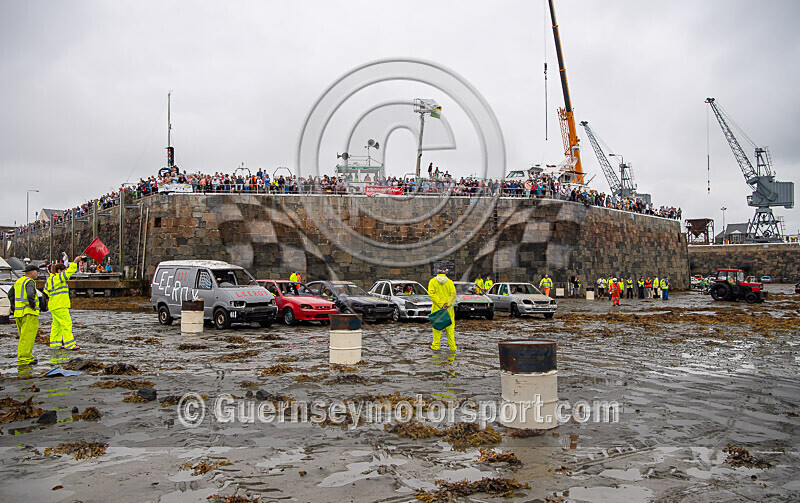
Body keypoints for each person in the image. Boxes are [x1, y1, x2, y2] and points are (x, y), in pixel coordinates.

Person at [44, 254, 85, 350]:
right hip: (60, 305)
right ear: (59, 271)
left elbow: (46, 292)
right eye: (63, 270)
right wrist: (75, 262)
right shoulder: (58, 278)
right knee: (66, 324)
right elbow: (69, 273)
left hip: (53, 306)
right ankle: (69, 344)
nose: (64, 272)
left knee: (56, 326)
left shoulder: (49, 280)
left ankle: (55, 344)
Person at [13, 264, 41, 366]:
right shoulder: (30, 282)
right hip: (29, 313)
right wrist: (32, 305)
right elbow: (30, 295)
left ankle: (27, 357)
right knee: (28, 337)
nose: (37, 274)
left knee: (23, 337)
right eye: (37, 272)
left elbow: (10, 295)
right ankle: (24, 359)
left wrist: (14, 307)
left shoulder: (18, 281)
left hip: (18, 313)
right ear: (32, 272)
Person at [428, 266, 457, 351]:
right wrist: (447, 304)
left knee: (437, 329)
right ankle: (452, 348)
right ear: (445, 272)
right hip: (449, 310)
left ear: (437, 272)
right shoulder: (450, 282)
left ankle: (436, 346)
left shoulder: (432, 281)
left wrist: (441, 304)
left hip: (437, 309)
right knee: (450, 330)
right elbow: (454, 295)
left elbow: (431, 294)